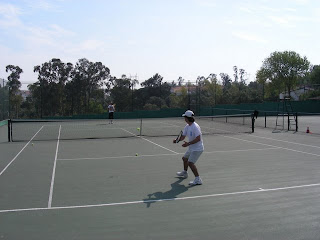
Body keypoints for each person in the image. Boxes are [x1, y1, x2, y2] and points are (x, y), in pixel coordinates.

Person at [173, 110, 204, 186]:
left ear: (188, 118)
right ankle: (185, 172)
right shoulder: (187, 126)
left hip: (197, 149)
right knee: (184, 159)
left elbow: (198, 138)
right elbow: (183, 136)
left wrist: (188, 144)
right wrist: (177, 140)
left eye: (185, 117)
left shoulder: (195, 127)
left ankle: (198, 179)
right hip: (191, 147)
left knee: (190, 163)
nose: (184, 119)